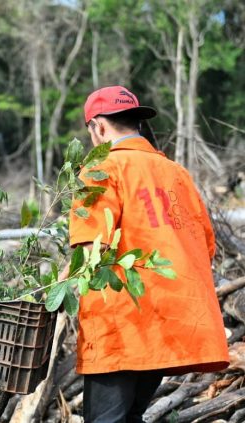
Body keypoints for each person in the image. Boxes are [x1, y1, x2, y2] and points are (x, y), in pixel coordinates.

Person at [63, 86, 229, 422]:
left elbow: (92, 250)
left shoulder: (101, 169)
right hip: (170, 325)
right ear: (136, 123)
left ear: (98, 127)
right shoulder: (177, 174)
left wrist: (52, 291)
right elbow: (205, 247)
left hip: (122, 327)